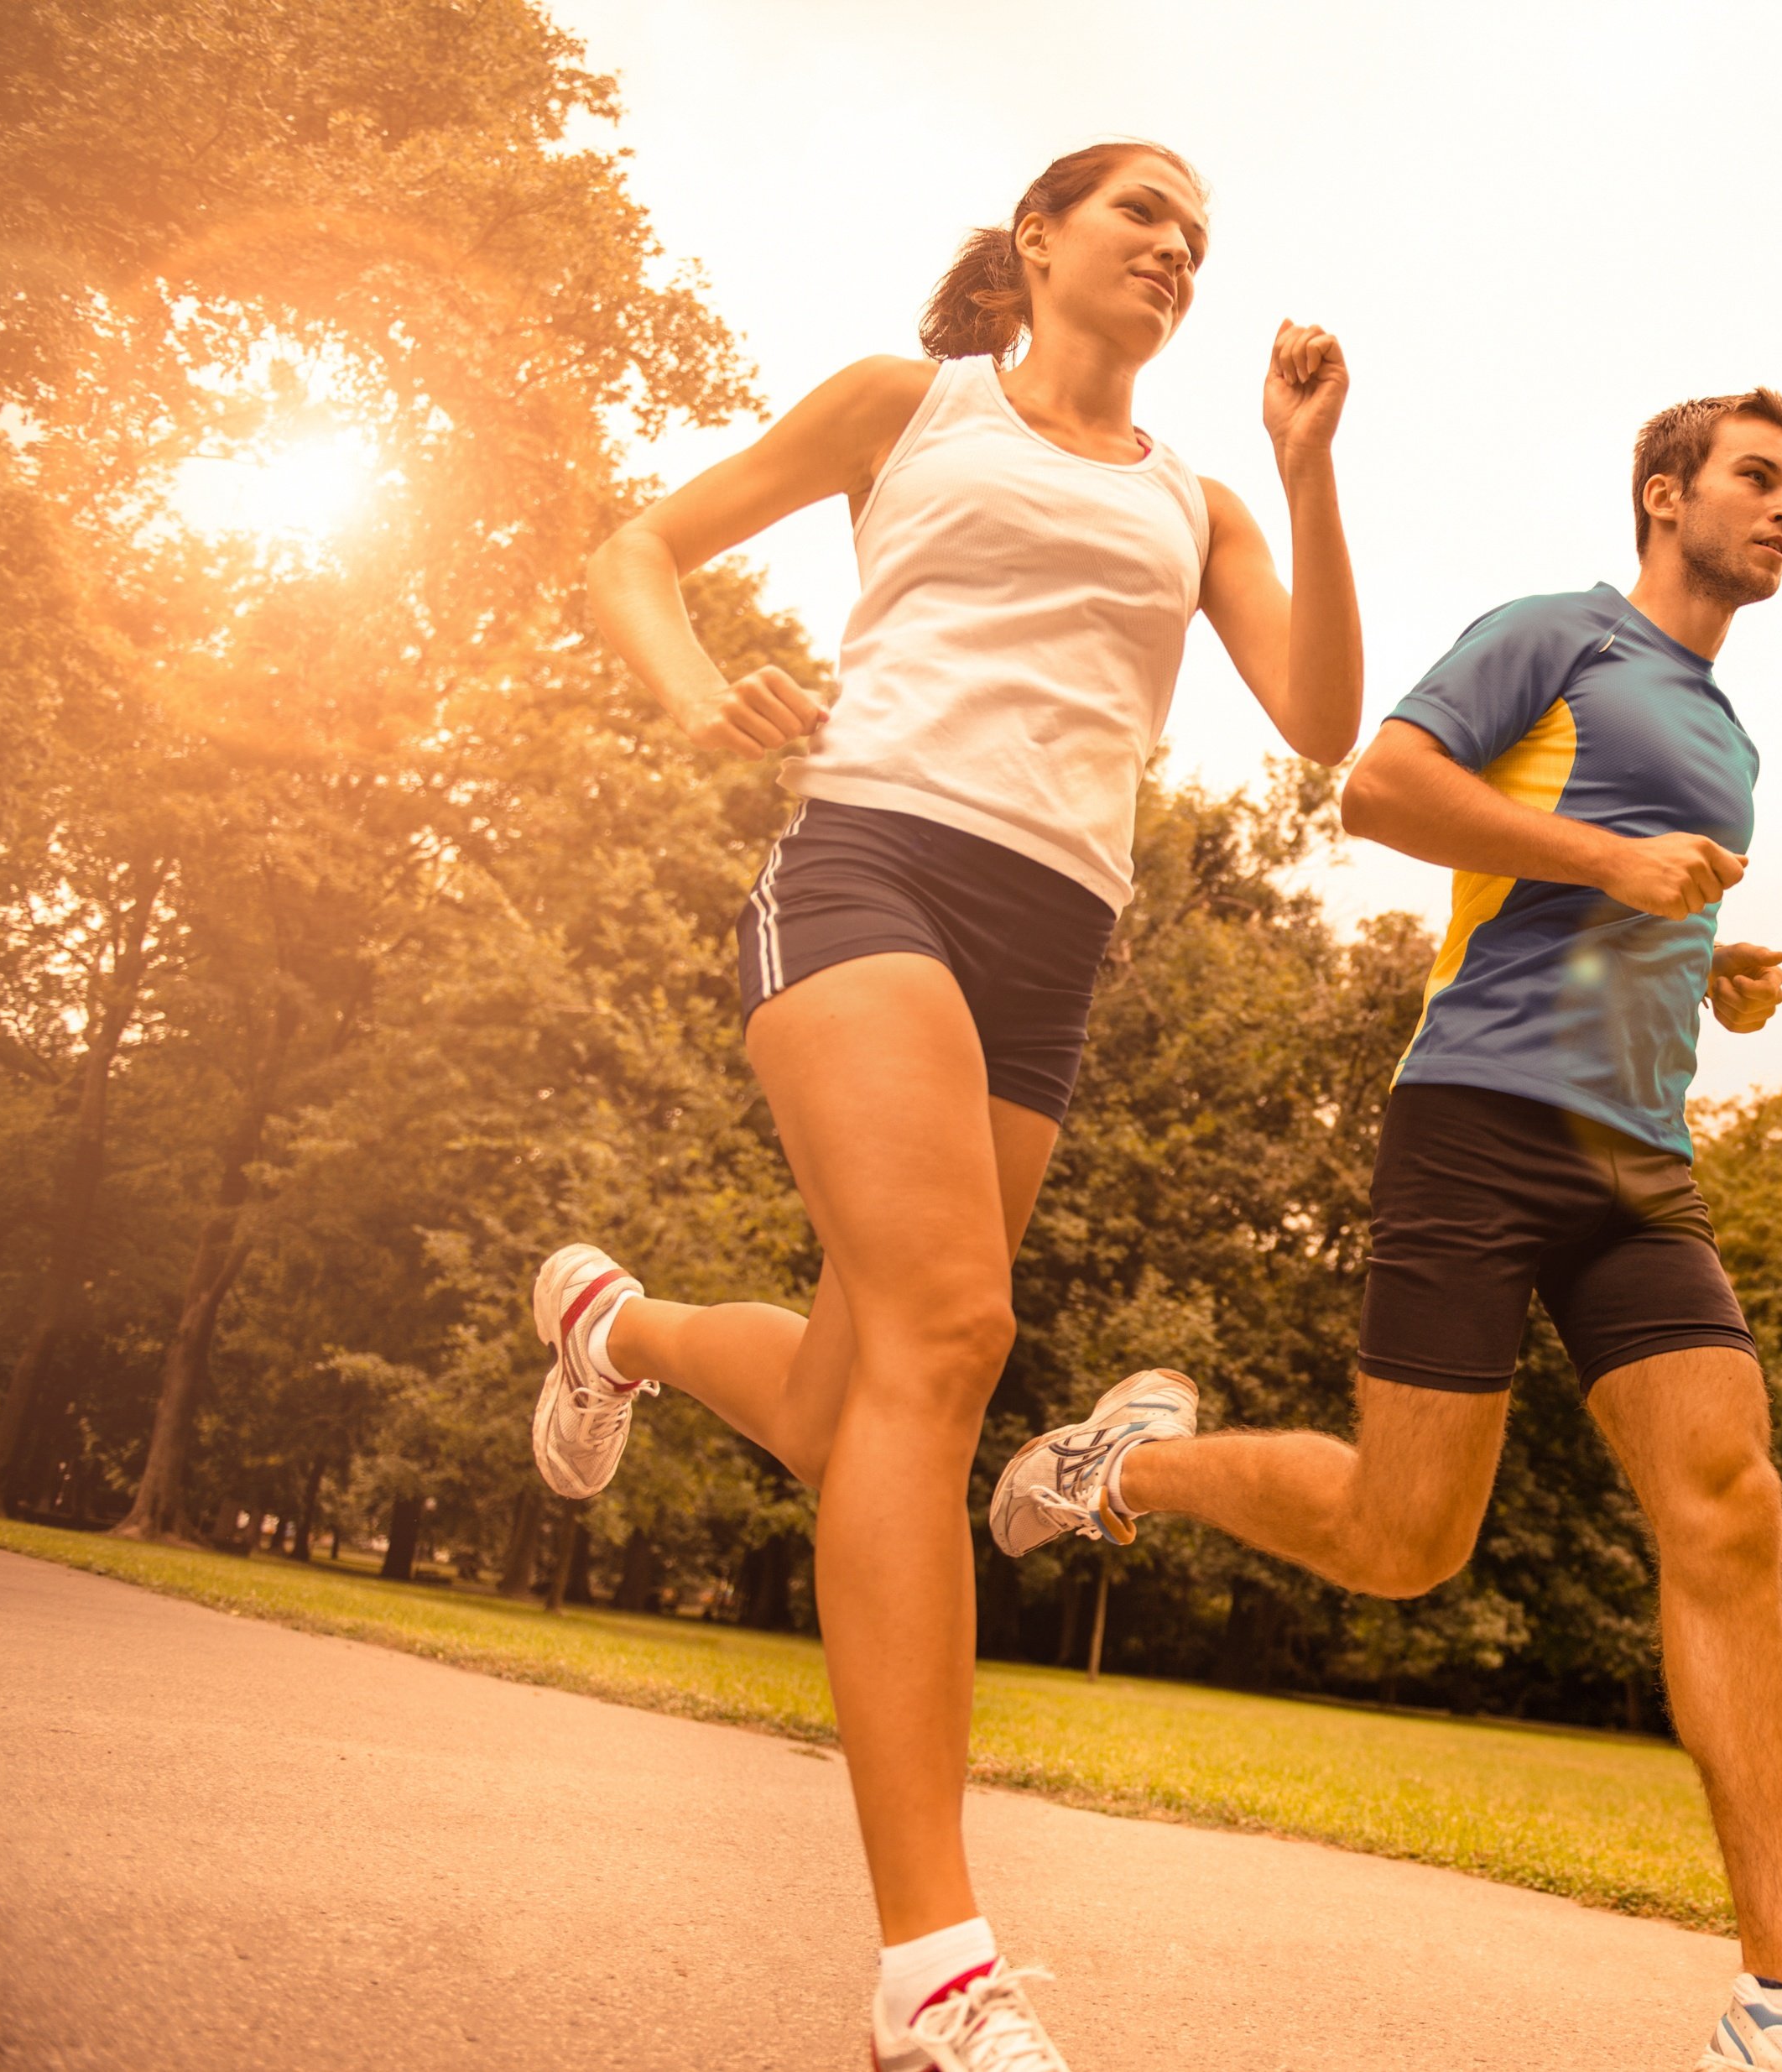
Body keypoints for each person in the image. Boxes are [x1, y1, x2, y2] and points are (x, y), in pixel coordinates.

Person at [533, 140, 1360, 2072]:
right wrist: (686, 692)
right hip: (869, 864)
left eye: (1198, 235)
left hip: (1052, 942)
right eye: (1139, 210)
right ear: (1039, 239)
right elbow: (629, 552)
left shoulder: (1198, 495)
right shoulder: (906, 408)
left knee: (854, 1406)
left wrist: (1307, 472)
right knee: (953, 1336)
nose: (1172, 245)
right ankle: (935, 1971)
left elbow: (1318, 718)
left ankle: (614, 1323)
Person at [993, 389, 1782, 2072]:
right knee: (1400, 1534)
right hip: (1479, 1124)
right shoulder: (1551, 635)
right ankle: (1121, 1463)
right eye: (1757, 476)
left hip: (1638, 1159)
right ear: (1666, 493)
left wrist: (1703, 959)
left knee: (1730, 1509)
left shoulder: (1728, 730)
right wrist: (1608, 864)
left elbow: (1610, 896)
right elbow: (1381, 789)